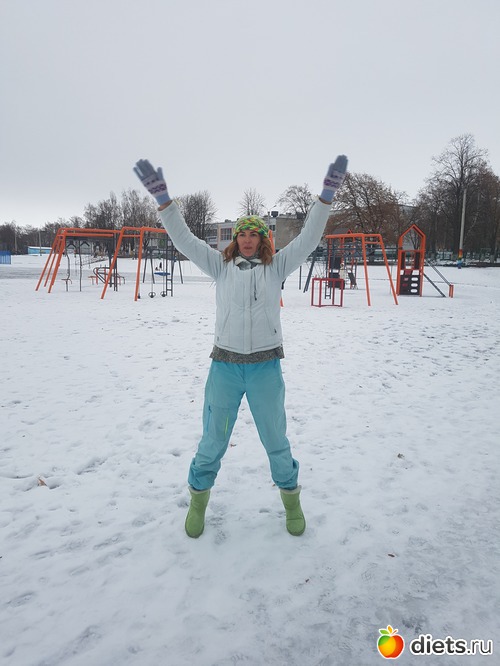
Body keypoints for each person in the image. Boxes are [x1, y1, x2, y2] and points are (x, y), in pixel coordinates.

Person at [134, 155, 348, 538]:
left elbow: (308, 238)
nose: (248, 239)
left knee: (276, 440)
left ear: (263, 239)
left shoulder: (276, 267)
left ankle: (291, 500)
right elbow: (184, 241)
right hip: (225, 369)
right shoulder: (220, 266)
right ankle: (198, 499)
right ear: (236, 239)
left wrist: (325, 198)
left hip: (265, 369)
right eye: (242, 234)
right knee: (213, 439)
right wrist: (164, 201)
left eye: (254, 234)